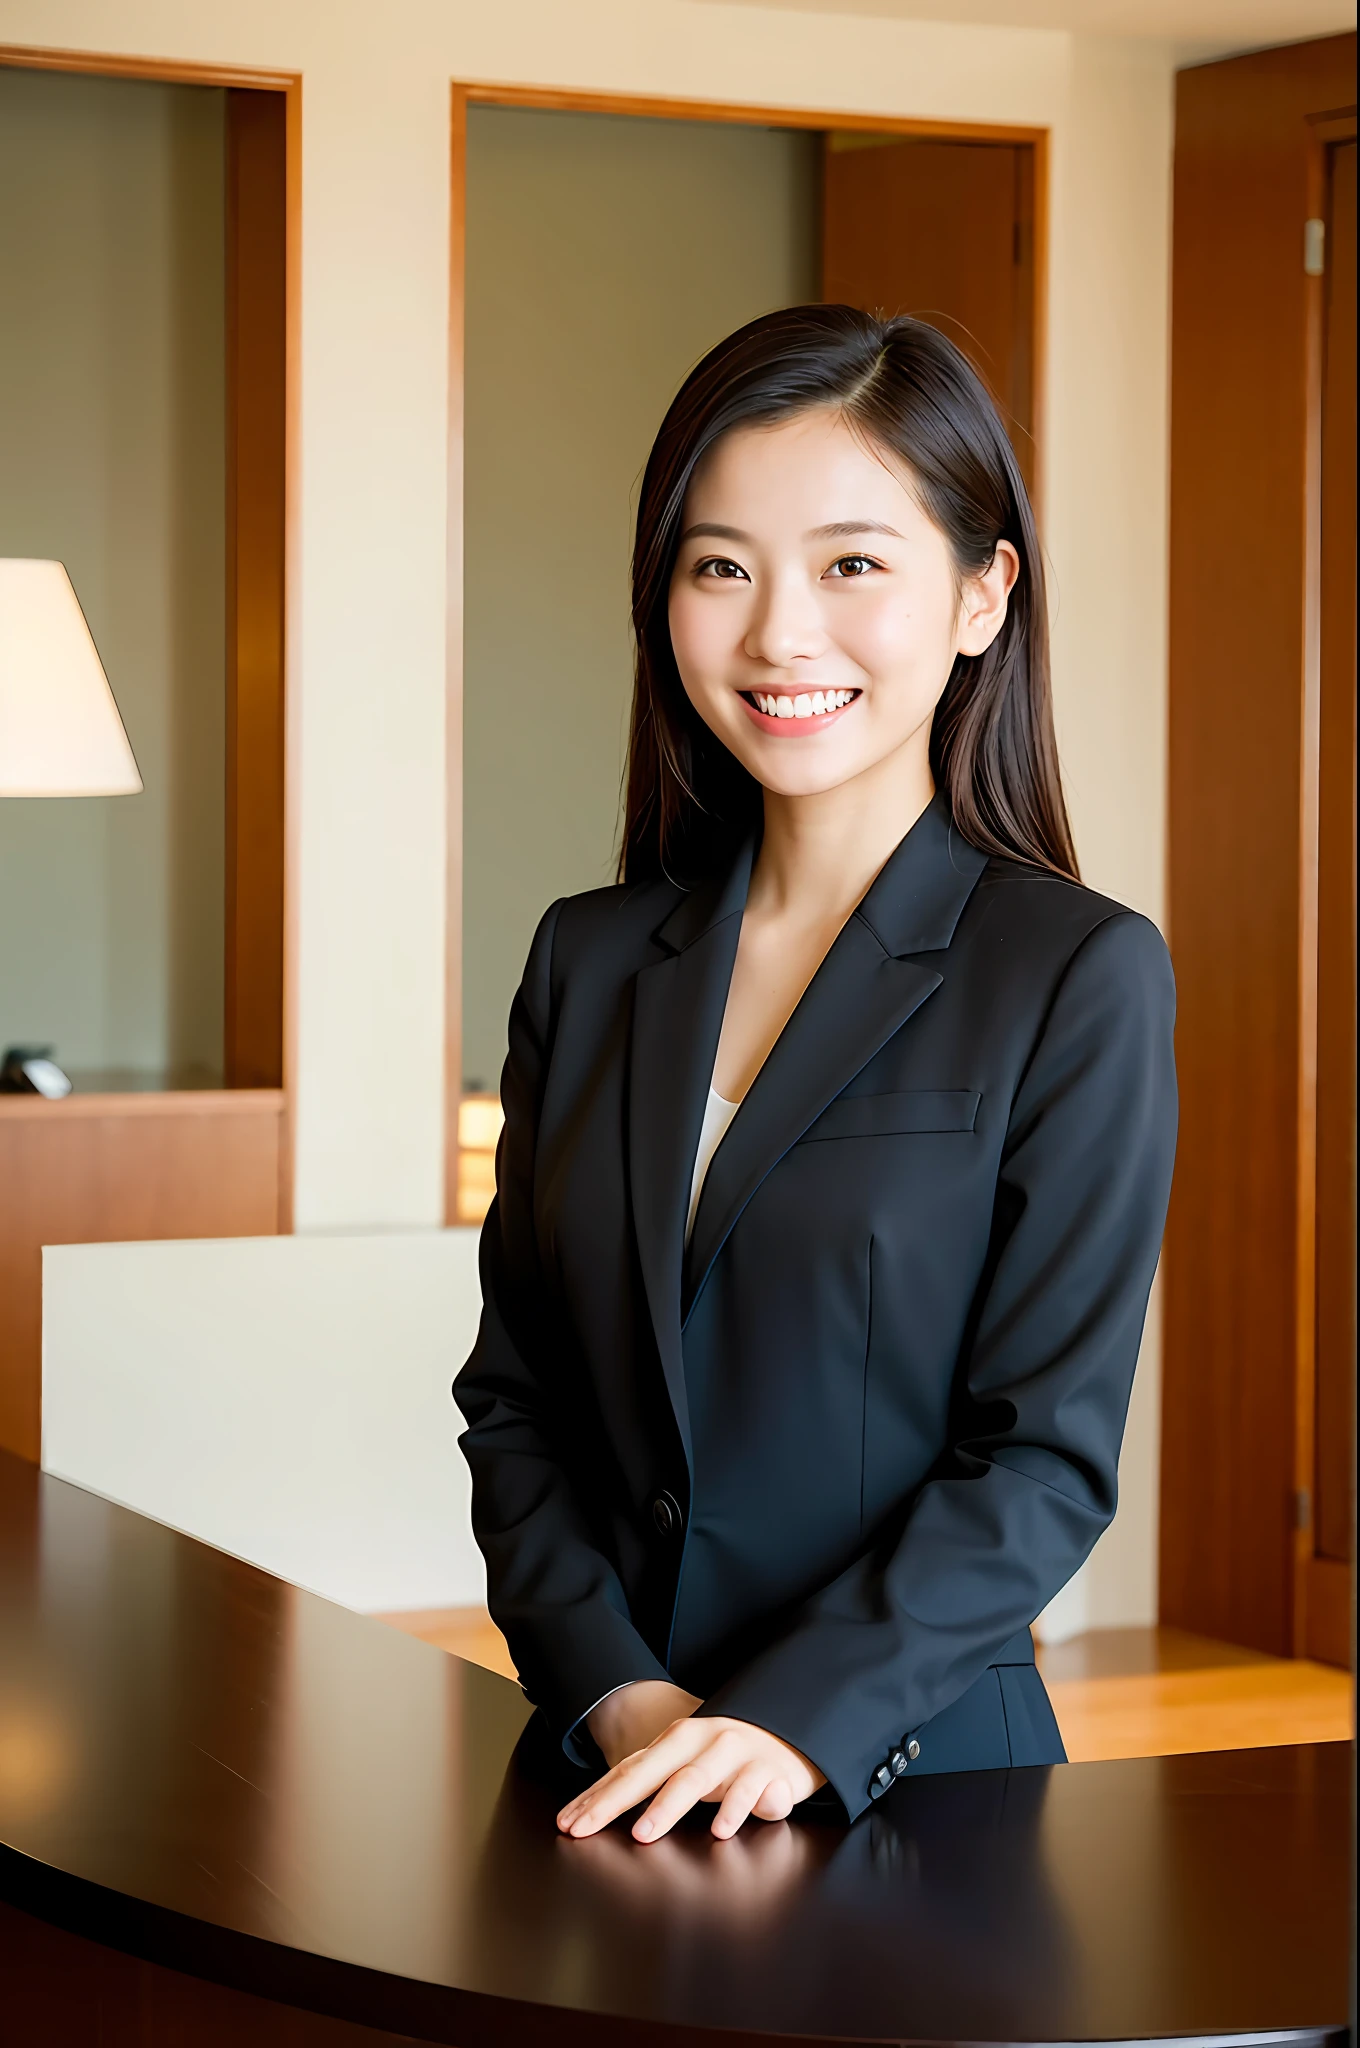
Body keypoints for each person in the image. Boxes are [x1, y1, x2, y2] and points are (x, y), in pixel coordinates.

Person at [453, 306, 1177, 1844]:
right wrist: (616, 1694)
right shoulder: (587, 961)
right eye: (723, 566)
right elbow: (518, 1402)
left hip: (911, 1792)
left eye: (854, 565)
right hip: (610, 1779)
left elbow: (1039, 1458)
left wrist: (786, 1722)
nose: (782, 632)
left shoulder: (1074, 974)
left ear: (984, 596)